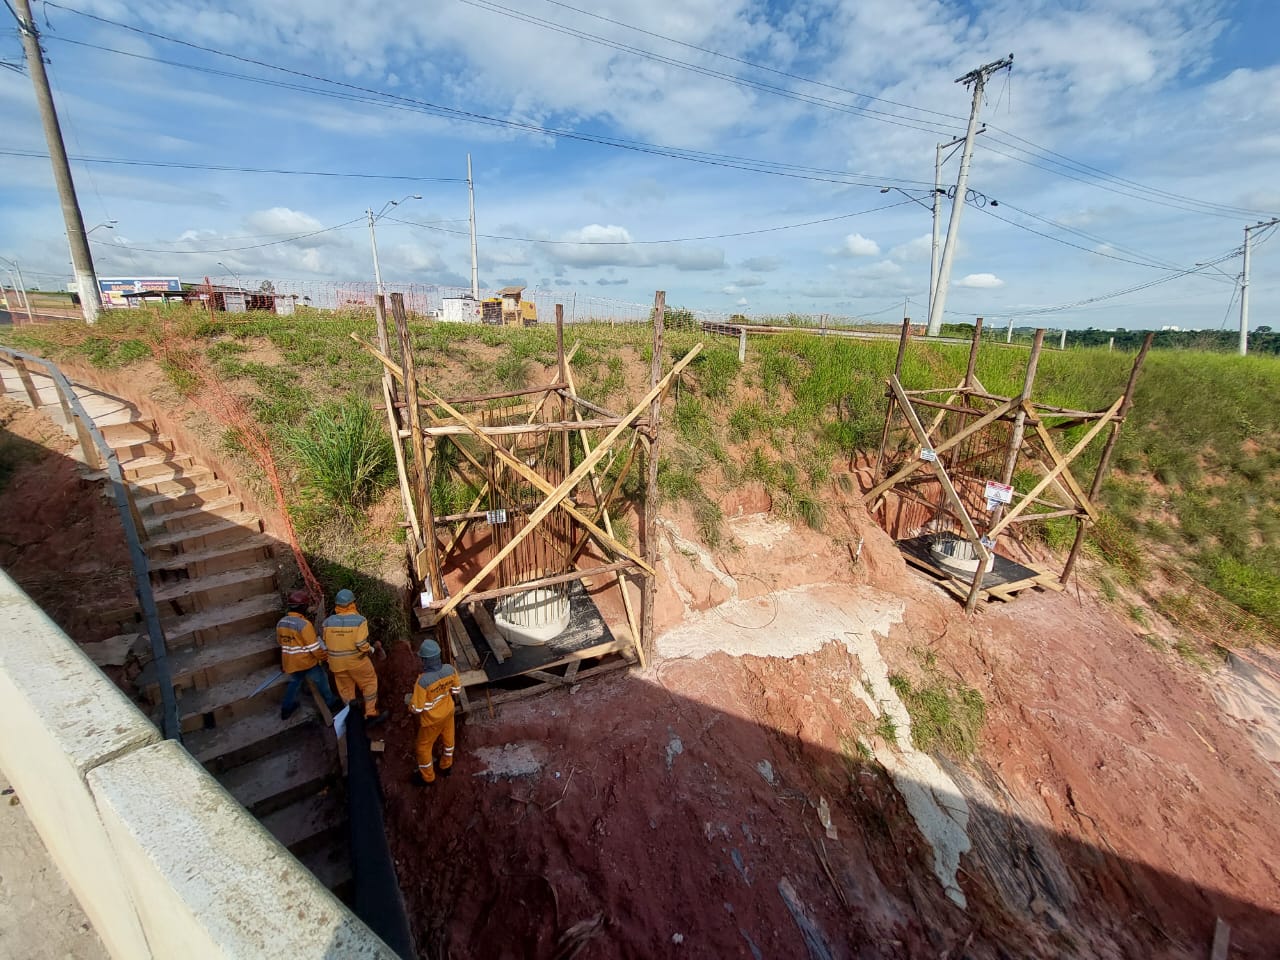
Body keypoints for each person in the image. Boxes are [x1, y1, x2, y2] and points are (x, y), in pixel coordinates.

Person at [322, 588, 387, 724]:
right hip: (357, 662)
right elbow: (360, 643)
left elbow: (326, 642)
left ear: (337, 605)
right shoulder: (359, 621)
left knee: (346, 690)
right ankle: (370, 713)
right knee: (369, 682)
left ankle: (353, 716)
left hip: (336, 664)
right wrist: (371, 649)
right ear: (352, 604)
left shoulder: (327, 622)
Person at [276, 589, 341, 720]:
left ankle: (286, 709)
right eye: (306, 605)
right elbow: (314, 648)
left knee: (294, 683)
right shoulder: (304, 625)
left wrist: (284, 663)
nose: (307, 608)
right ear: (302, 607)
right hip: (306, 662)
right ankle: (330, 702)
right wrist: (325, 657)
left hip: (290, 662)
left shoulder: (281, 622)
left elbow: (282, 643)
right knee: (321, 678)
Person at [406, 638, 461, 785]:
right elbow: (456, 690)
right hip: (448, 713)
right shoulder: (450, 670)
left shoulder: (423, 682)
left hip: (432, 720)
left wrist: (410, 704)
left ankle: (428, 777)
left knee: (422, 747)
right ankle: (446, 766)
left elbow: (417, 709)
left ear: (425, 660)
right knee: (449, 741)